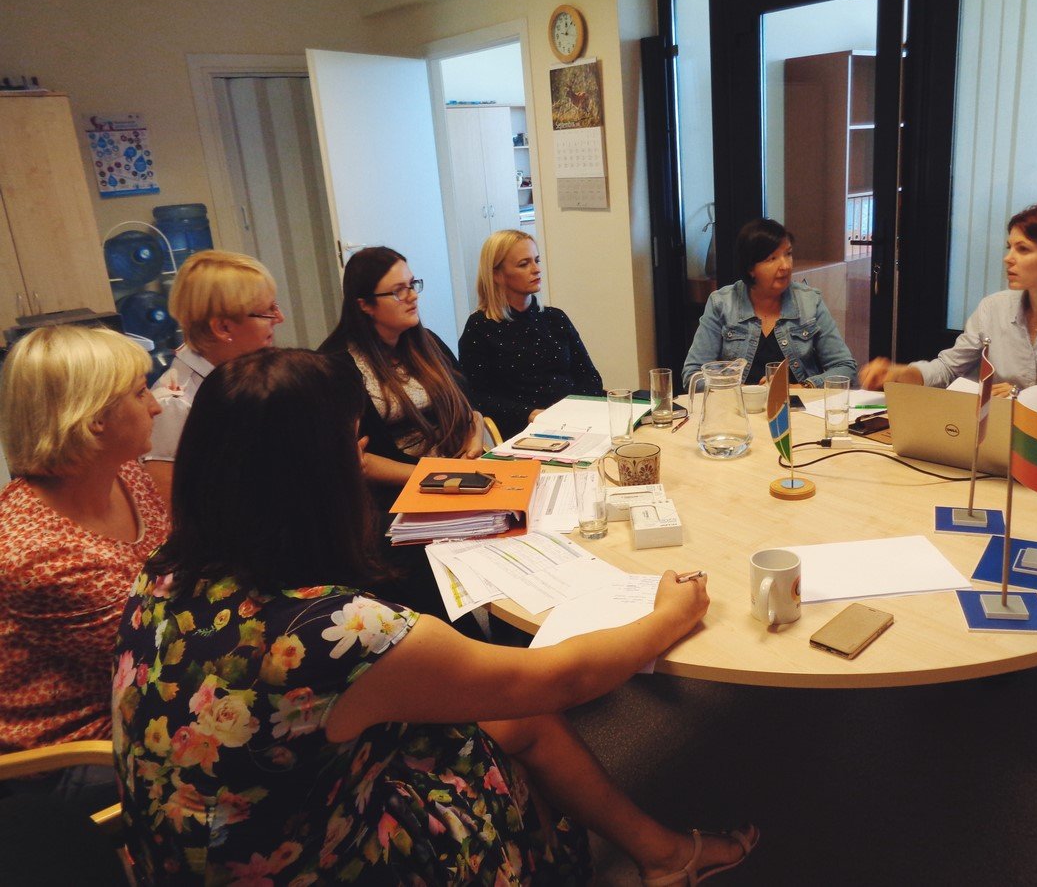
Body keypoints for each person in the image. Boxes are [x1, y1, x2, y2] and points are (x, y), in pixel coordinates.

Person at [112, 348, 758, 885]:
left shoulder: (164, 571)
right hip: (323, 864)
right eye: (353, 447)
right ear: (319, 477)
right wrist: (671, 614)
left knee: (505, 714)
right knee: (515, 713)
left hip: (183, 858)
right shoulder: (340, 634)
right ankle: (645, 856)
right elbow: (560, 678)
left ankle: (660, 854)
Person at [0, 326, 167, 810]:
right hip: (69, 754)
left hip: (134, 700)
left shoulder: (124, 472)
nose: (156, 406)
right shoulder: (38, 554)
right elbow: (158, 659)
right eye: (140, 392)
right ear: (94, 419)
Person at [859, 201, 1037, 419]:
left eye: (1023, 249)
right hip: (997, 441)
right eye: (1009, 247)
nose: (1008, 258)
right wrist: (899, 374)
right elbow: (947, 369)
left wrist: (1026, 400)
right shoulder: (993, 308)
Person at [319, 246, 484, 504]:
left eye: (412, 285)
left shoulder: (427, 342)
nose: (412, 296)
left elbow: (470, 407)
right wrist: (440, 475)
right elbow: (358, 457)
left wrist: (474, 442)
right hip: (399, 493)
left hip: (458, 474)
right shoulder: (336, 365)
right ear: (365, 305)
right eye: (398, 291)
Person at [144, 249, 285, 499]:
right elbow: (171, 507)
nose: (279, 318)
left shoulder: (246, 376)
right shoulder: (174, 405)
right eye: (267, 311)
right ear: (223, 327)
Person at [459, 230, 604, 438]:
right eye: (524, 264)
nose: (536, 269)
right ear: (497, 275)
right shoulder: (480, 328)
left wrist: (573, 411)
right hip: (525, 430)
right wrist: (528, 413)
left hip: (576, 421)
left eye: (537, 260)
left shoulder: (555, 318)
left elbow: (590, 377)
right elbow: (476, 396)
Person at [682, 218, 858, 387]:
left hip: (798, 404)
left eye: (788, 254)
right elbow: (693, 375)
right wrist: (740, 391)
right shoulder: (722, 303)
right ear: (750, 268)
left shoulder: (810, 301)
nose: (785, 266)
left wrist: (805, 387)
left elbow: (845, 367)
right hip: (739, 405)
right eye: (772, 259)